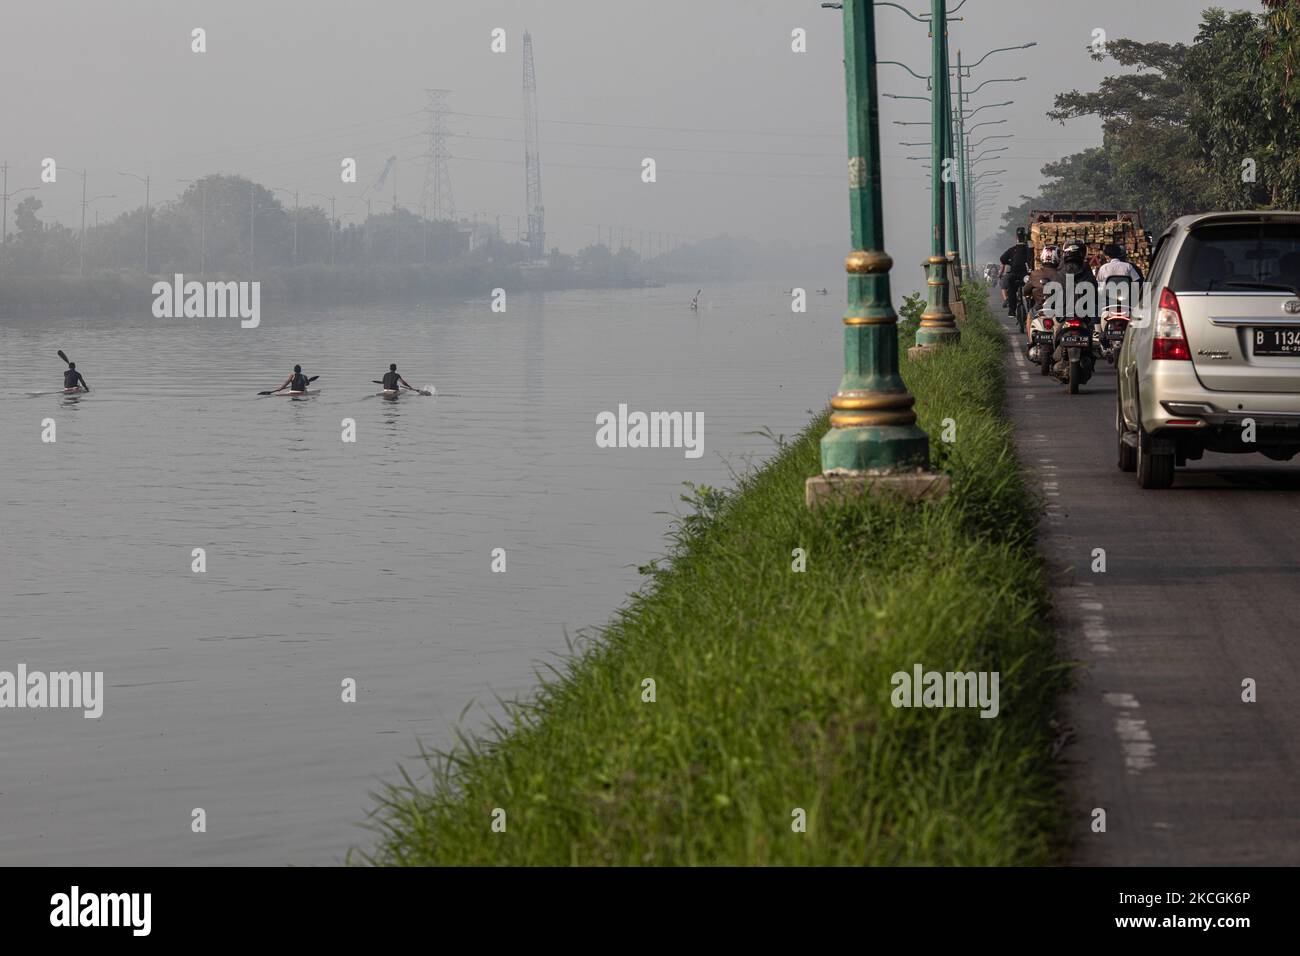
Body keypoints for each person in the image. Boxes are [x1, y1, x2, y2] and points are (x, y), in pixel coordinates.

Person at [1022, 245, 1063, 340]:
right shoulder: (1062, 274)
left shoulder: (1035, 274)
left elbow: (1025, 291)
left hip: (1039, 308)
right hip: (1058, 310)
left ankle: (1030, 341)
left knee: (1029, 316)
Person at [999, 227, 1032, 315]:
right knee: (1031, 290)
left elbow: (1002, 259)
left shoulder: (1012, 250)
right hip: (1025, 276)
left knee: (1011, 291)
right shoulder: (1028, 249)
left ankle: (1012, 311)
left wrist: (1010, 262)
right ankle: (1031, 310)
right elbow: (1031, 257)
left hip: (1013, 275)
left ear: (1016, 237)